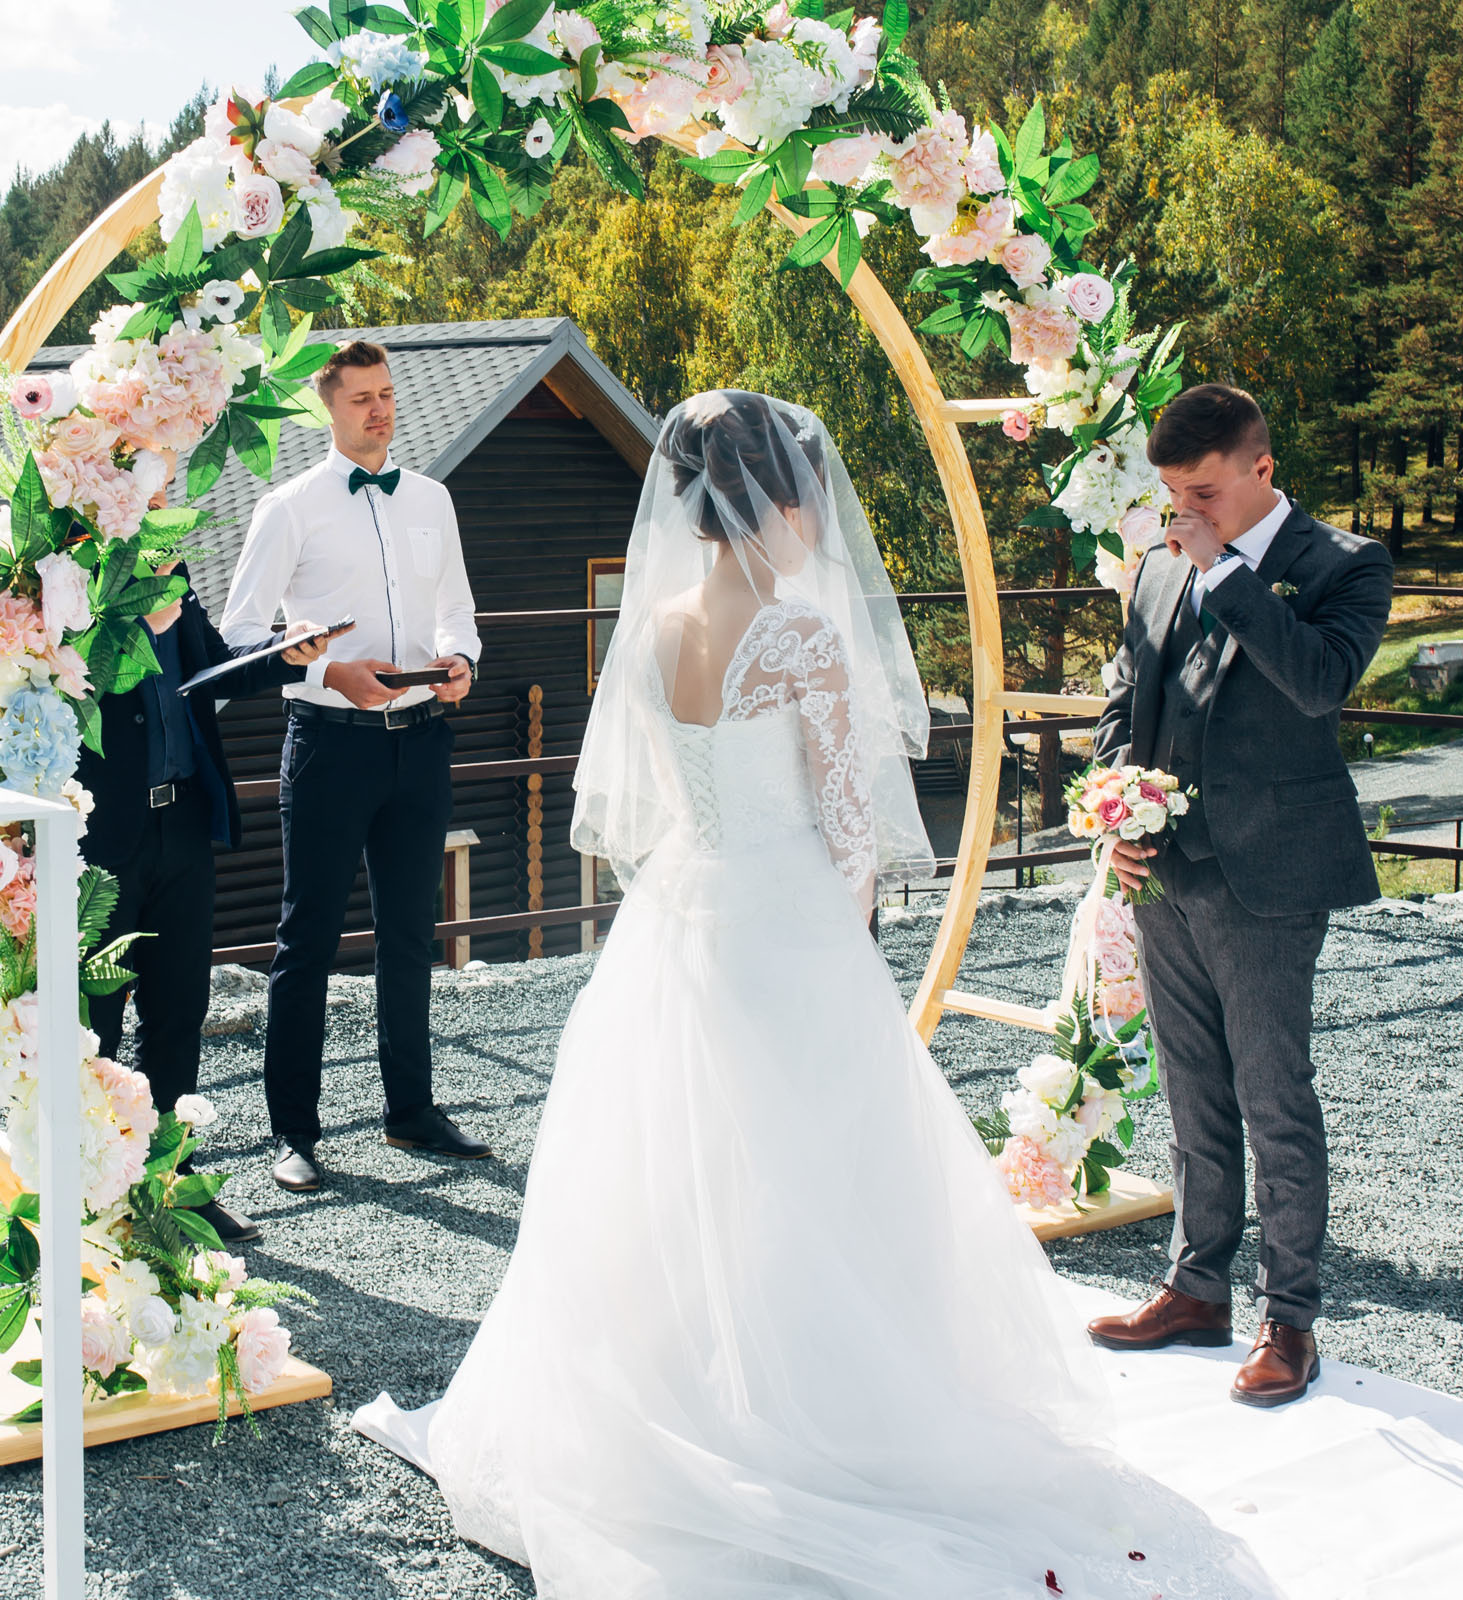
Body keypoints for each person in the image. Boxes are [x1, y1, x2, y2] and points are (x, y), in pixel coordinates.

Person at [356, 391, 1279, 1597]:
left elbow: (640, 812)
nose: (813, 517)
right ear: (772, 500)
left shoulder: (648, 626)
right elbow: (854, 830)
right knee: (819, 1170)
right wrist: (847, 916)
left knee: (673, 1175)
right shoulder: (797, 635)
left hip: (680, 917)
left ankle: (672, 1401)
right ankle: (816, 1415)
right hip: (783, 916)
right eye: (804, 495)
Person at [1087, 383, 1392, 1408]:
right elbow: (1127, 697)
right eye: (1174, 494)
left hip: (1273, 873)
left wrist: (1229, 573)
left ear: (1261, 470)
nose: (1185, 513)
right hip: (1167, 871)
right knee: (1192, 1094)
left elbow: (1318, 682)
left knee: (1274, 1099)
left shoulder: (1343, 566)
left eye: (1205, 492)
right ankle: (1196, 1285)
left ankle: (1289, 1321)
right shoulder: (1159, 568)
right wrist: (1115, 811)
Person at [218, 340, 488, 1193]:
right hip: (330, 747)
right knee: (308, 939)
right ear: (328, 409)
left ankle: (411, 1113)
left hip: (423, 739)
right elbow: (238, 639)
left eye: (386, 394)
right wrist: (329, 671)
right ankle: (293, 1133)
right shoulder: (288, 509)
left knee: (412, 935)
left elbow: (458, 610)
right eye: (360, 398)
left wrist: (461, 662)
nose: (379, 410)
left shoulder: (435, 501)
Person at [74, 562, 326, 1245]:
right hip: (101, 838)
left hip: (182, 826)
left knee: (180, 1013)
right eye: (152, 492)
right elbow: (64, 688)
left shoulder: (171, 570)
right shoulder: (66, 574)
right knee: (92, 1026)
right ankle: (95, 1197)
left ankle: (175, 1186)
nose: (165, 503)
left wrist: (284, 653)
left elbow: (215, 668)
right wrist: (122, 627)